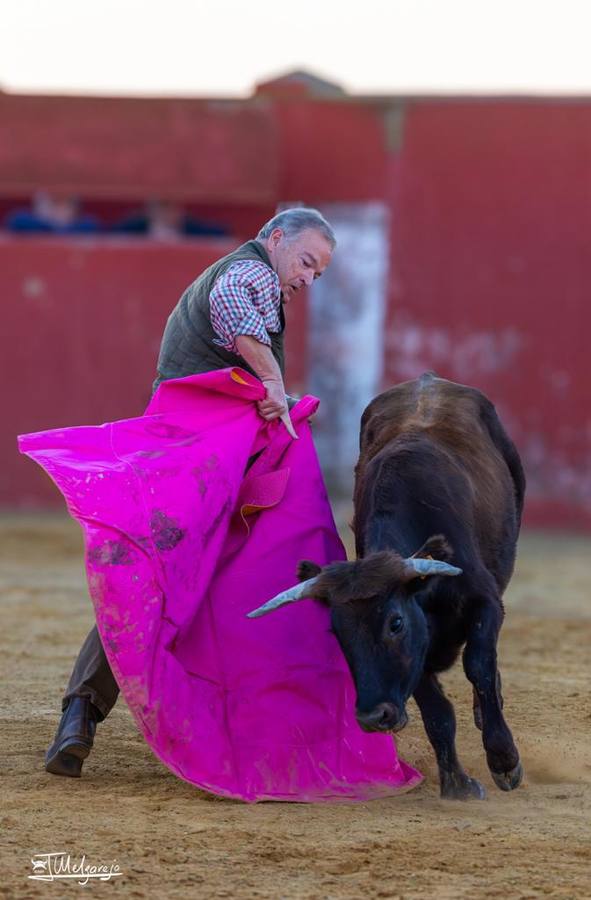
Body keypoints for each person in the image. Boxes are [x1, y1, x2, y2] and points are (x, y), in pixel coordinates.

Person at [45, 207, 336, 777]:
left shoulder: (258, 278)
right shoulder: (251, 272)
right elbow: (232, 304)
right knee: (212, 576)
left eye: (318, 274)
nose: (307, 278)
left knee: (159, 580)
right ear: (276, 240)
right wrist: (274, 382)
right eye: (306, 262)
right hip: (198, 464)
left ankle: (80, 715)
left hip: (191, 458)